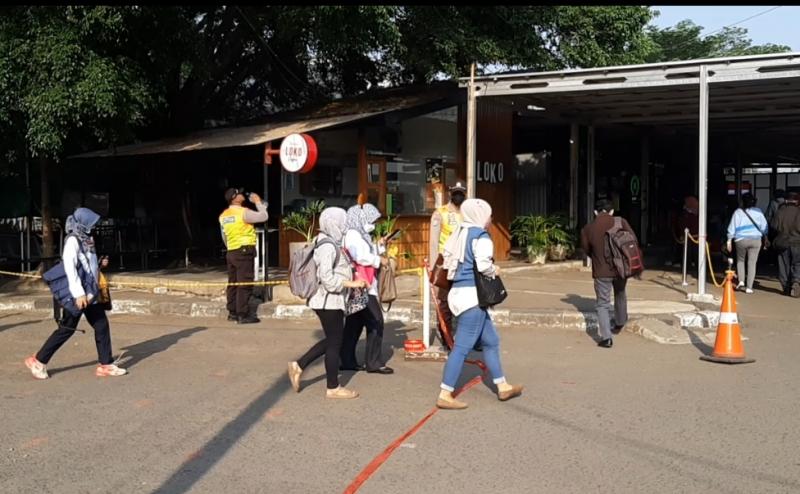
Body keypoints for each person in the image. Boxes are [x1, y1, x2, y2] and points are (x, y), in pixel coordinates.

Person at [435, 198, 523, 410]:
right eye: (489, 214)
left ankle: (502, 385)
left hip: (457, 293)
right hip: (473, 297)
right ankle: (445, 393)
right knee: (462, 348)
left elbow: (446, 261)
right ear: (480, 215)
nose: (491, 219)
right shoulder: (481, 236)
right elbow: (484, 266)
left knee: (491, 340)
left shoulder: (458, 232)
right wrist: (496, 270)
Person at [24, 207, 127, 380]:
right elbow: (70, 268)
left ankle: (106, 364)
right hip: (79, 294)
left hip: (90, 292)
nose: (94, 226)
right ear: (83, 222)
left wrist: (100, 263)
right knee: (66, 329)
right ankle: (38, 360)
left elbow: (87, 265)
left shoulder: (87, 239)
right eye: (91, 222)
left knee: (101, 325)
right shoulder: (73, 240)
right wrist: (78, 294)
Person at [286, 207, 369, 399]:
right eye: (341, 222)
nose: (343, 226)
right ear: (333, 223)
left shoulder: (327, 242)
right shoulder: (327, 246)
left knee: (333, 340)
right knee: (335, 343)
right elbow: (328, 279)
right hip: (328, 300)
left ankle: (299, 365)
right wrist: (352, 282)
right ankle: (333, 387)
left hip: (330, 300)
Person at [339, 203, 394, 374]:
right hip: (362, 285)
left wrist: (381, 246)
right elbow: (360, 256)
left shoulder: (360, 234)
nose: (374, 224)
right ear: (362, 218)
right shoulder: (354, 234)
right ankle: (374, 362)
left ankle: (347, 360)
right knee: (376, 321)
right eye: (372, 220)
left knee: (354, 324)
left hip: (362, 283)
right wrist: (379, 260)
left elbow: (367, 251)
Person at [581, 199, 635, 349]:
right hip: (621, 269)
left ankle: (606, 338)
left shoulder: (588, 228)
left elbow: (586, 250)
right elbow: (633, 240)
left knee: (603, 303)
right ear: (612, 211)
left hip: (601, 271)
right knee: (620, 293)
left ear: (595, 212)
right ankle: (620, 322)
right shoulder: (621, 222)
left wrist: (598, 258)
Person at [428, 181, 476, 349]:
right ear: (450, 194)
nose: (458, 196)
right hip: (445, 264)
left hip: (464, 264)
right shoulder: (440, 213)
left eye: (461, 193)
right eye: (455, 192)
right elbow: (434, 243)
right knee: (444, 303)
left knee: (468, 302)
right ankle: (447, 337)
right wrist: (433, 268)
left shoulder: (468, 214)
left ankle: (471, 338)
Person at [219, 187, 268, 324]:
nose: (242, 194)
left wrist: (231, 246)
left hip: (231, 251)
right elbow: (264, 216)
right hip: (244, 250)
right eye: (239, 193)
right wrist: (258, 202)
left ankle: (232, 312)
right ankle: (243, 314)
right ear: (235, 198)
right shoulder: (243, 212)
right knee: (245, 283)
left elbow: (224, 236)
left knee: (233, 283)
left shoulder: (224, 215)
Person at [726, 193, 768, 294]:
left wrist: (729, 240)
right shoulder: (758, 212)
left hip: (740, 240)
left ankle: (741, 281)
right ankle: (749, 287)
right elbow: (765, 227)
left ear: (742, 202)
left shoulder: (737, 212)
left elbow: (732, 227)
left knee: (740, 260)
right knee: (752, 263)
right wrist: (765, 236)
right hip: (756, 240)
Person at [770, 191, 800, 297]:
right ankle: (796, 281)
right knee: (798, 263)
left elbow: (773, 226)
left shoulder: (780, 211)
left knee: (783, 264)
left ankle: (786, 287)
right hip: (797, 242)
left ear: (786, 200)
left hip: (783, 242)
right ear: (797, 201)